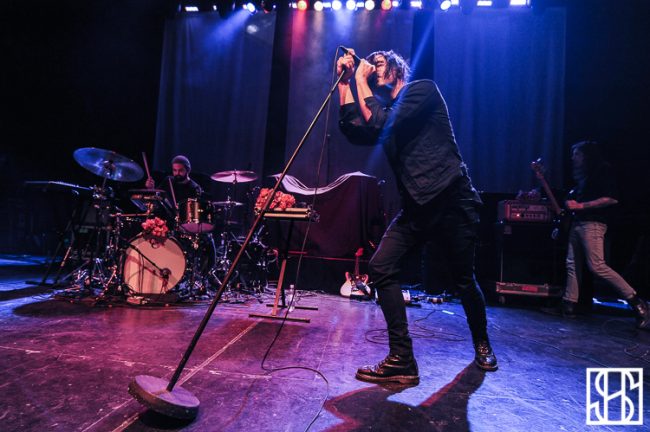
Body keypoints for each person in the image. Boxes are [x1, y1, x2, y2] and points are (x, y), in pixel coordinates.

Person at [336, 49, 498, 385]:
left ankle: (482, 342)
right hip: (417, 208)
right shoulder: (382, 110)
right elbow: (354, 129)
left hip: (452, 200)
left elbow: (380, 122)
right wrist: (345, 83)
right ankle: (402, 359)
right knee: (381, 267)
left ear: (397, 68)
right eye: (370, 65)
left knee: (464, 280)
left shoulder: (422, 90)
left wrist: (360, 79)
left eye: (379, 63)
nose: (372, 68)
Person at [557, 141, 649, 329]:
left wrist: (581, 206)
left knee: (597, 266)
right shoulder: (583, 177)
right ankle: (569, 304)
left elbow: (611, 198)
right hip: (578, 223)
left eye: (577, 154)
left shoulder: (602, 171)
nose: (573, 158)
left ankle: (636, 301)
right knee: (572, 264)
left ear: (586, 155)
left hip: (593, 224)